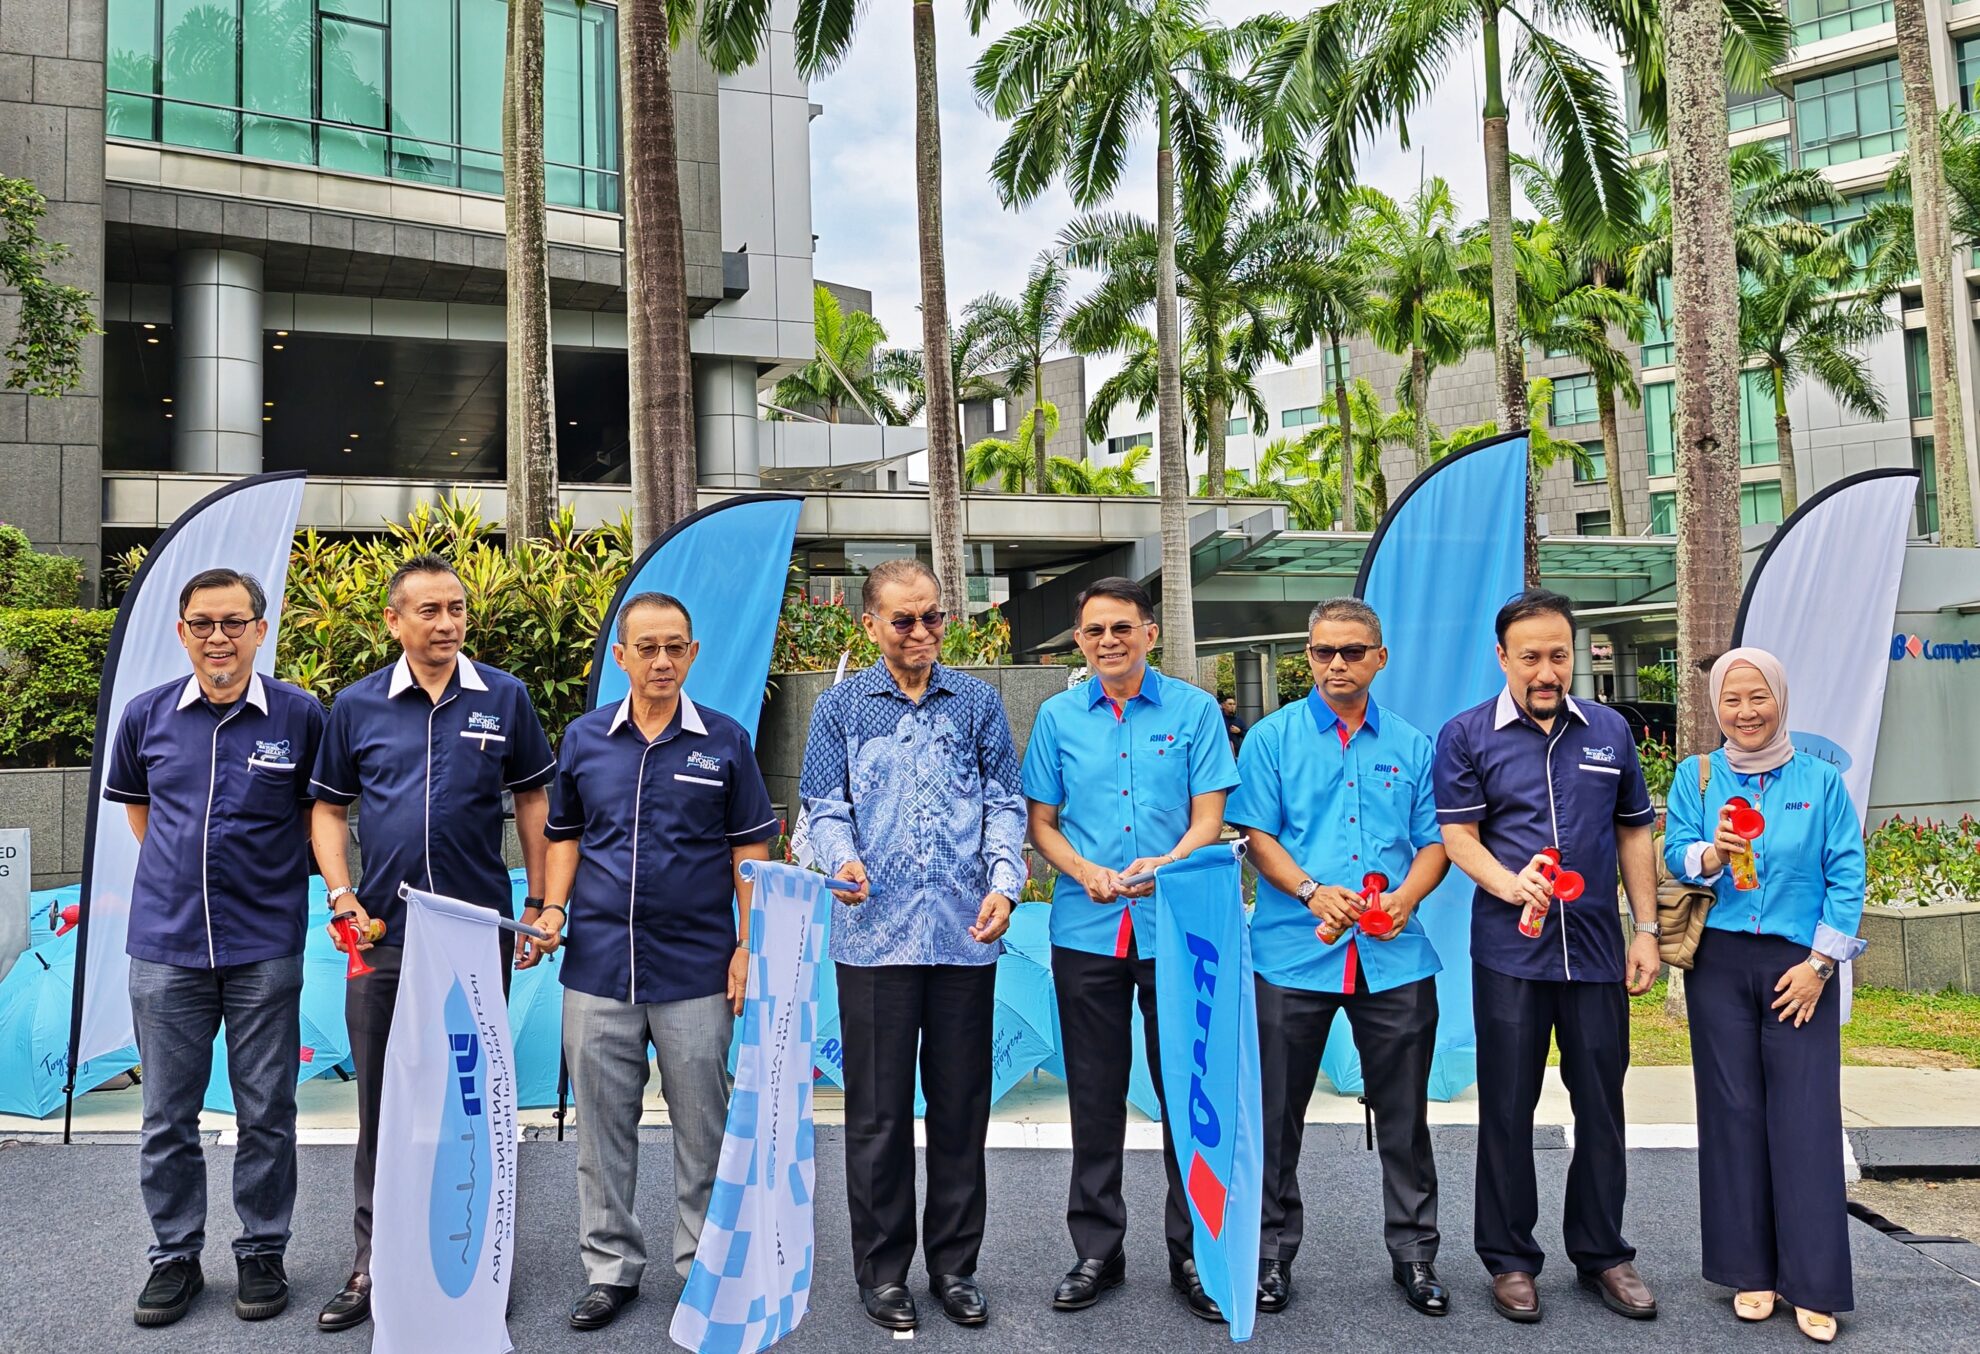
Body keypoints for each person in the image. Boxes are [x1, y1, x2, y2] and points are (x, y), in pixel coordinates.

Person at [306, 553, 555, 1332]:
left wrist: (539, 901)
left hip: (474, 941)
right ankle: (373, 1264)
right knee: (382, 1107)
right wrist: (341, 892)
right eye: (429, 610)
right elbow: (328, 808)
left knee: (470, 1108)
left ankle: (479, 1262)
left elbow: (534, 799)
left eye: (456, 609)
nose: (447, 624)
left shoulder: (504, 698)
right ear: (394, 621)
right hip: (382, 938)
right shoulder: (357, 705)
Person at [522, 592, 777, 1332]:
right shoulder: (585, 738)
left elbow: (750, 849)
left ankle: (704, 1268)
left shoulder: (724, 741)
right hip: (598, 965)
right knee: (603, 1133)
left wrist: (748, 944)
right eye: (647, 648)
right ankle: (611, 1269)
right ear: (622, 656)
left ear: (692, 654)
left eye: (674, 647)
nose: (661, 661)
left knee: (705, 1129)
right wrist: (554, 908)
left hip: (696, 967)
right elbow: (565, 834)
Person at [798, 558, 1026, 1332]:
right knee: (878, 1116)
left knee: (961, 1111)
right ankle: (884, 1272)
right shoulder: (839, 708)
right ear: (870, 625)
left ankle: (955, 1268)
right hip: (873, 941)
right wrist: (840, 860)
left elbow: (1004, 803)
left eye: (933, 617)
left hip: (965, 935)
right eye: (904, 620)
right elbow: (823, 807)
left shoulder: (979, 704)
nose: (922, 632)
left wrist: (1005, 884)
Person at [1433, 588, 1662, 1324]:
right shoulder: (1466, 735)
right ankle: (1509, 1260)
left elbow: (1634, 830)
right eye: (1530, 656)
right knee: (1507, 1107)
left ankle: (1604, 1254)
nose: (1546, 671)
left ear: (1574, 655)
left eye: (1558, 655)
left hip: (1596, 953)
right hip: (1511, 955)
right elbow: (1459, 837)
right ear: (1502, 657)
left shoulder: (1610, 730)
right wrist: (1511, 884)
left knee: (1602, 1106)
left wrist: (1646, 929)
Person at [104, 568, 326, 1328]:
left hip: (265, 943)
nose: (218, 637)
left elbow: (319, 815)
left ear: (260, 630)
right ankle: (174, 1258)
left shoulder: (300, 716)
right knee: (167, 1115)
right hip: (165, 946)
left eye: (234, 622)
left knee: (267, 1110)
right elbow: (140, 811)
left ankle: (262, 1250)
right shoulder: (146, 715)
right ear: (182, 632)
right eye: (202, 623)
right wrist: (182, 876)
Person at [1224, 598, 1451, 1319]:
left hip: (1394, 956)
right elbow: (1256, 837)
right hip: (1293, 953)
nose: (1337, 664)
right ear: (1309, 657)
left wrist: (1405, 899)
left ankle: (1415, 1256)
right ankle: (1268, 1255)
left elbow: (1436, 842)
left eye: (1352, 651)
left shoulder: (1412, 745)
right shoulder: (1271, 739)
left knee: (1405, 1118)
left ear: (1380, 658)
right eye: (1323, 651)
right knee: (1274, 1117)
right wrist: (1312, 891)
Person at [1022, 576, 1239, 1321]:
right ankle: (1098, 1250)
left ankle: (1195, 1253)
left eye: (1121, 628)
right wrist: (1083, 871)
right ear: (1079, 641)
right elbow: (1042, 822)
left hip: (1177, 928)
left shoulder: (1195, 710)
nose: (1108, 641)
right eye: (1094, 631)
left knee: (1187, 1093)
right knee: (1094, 1093)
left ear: (1150, 633)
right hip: (1086, 930)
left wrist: (1169, 864)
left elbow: (1209, 816)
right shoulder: (1057, 716)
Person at [1662, 649, 1865, 1345]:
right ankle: (1748, 1270)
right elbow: (1674, 854)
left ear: (1780, 698)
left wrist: (1819, 966)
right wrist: (1712, 854)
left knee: (1805, 1119)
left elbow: (1846, 874)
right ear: (1716, 706)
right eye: (1732, 700)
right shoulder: (1697, 776)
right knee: (1732, 1114)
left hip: (1797, 966)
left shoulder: (1820, 781)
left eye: (1758, 697)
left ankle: (1814, 1283)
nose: (1746, 712)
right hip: (1718, 963)